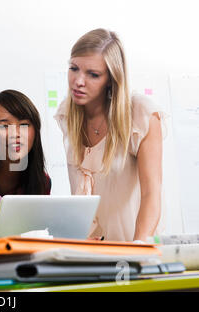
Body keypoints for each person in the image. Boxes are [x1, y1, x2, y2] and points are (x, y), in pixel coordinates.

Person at [54, 28, 166, 242]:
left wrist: (138, 247)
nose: (78, 81)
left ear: (111, 79)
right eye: (74, 68)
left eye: (93, 74)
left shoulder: (141, 114)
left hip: (133, 245)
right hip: (90, 252)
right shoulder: (67, 115)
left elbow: (151, 193)